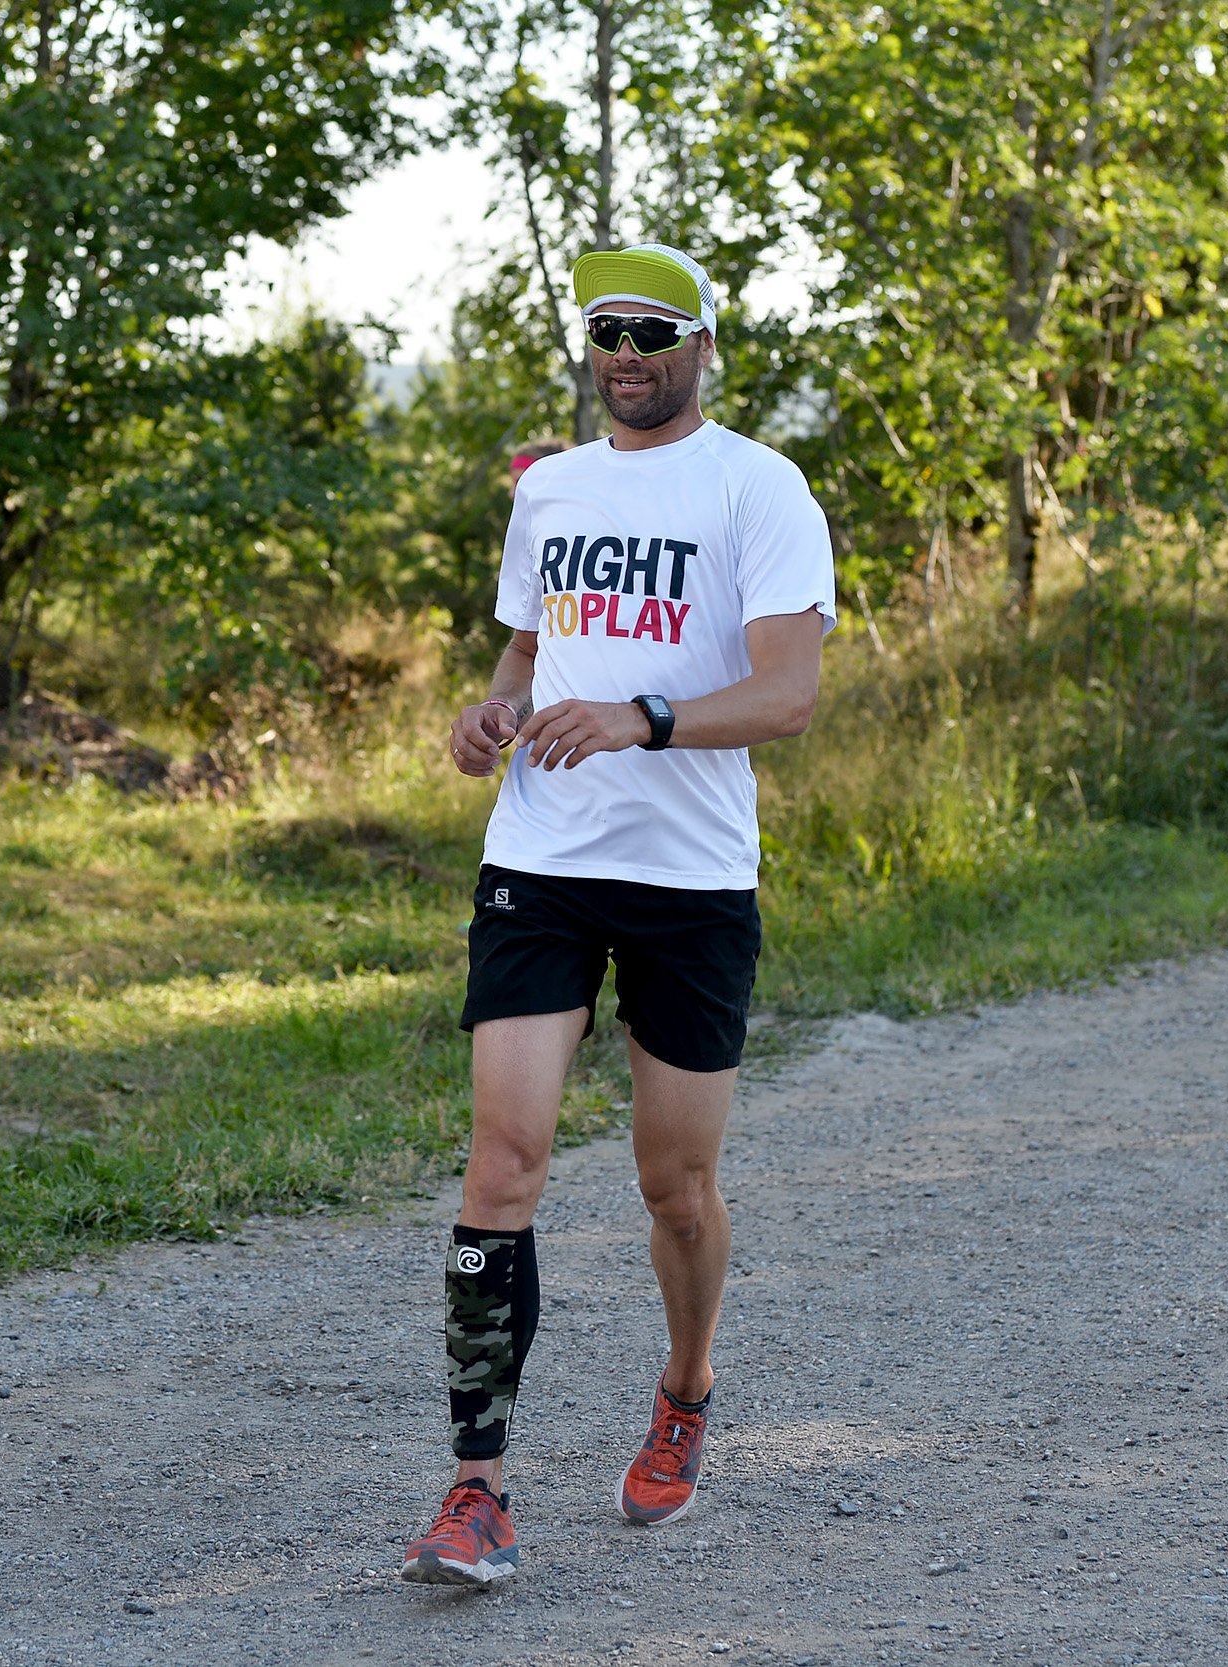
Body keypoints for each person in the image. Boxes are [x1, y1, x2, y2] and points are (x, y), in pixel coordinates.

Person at [400, 243, 835, 1584]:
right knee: (503, 1162)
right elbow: (529, 647)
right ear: (590, 349)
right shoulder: (553, 489)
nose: (628, 350)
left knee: (675, 1183)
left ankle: (686, 1385)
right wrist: (497, 709)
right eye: (607, 329)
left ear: (703, 345)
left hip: (694, 881)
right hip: (541, 853)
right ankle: (477, 1487)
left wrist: (643, 719)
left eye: (654, 328)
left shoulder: (761, 485)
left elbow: (789, 693)